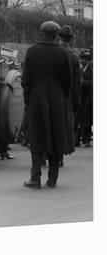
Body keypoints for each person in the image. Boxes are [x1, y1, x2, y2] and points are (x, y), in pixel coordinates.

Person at [21, 21, 74, 189]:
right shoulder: (63, 53)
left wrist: (29, 97)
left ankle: (35, 177)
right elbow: (68, 81)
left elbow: (26, 80)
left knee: (37, 135)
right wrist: (62, 96)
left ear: (41, 33)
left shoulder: (32, 51)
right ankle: (53, 178)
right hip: (57, 96)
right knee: (56, 134)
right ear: (56, 34)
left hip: (37, 95)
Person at [57, 25, 81, 165]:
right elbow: (77, 83)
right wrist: (76, 102)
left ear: (59, 37)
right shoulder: (74, 57)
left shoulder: (55, 51)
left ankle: (44, 155)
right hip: (68, 97)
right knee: (64, 127)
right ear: (70, 39)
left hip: (53, 93)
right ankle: (59, 157)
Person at [78, 49, 93, 147]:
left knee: (86, 120)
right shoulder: (81, 69)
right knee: (82, 119)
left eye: (83, 59)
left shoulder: (91, 69)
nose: (81, 61)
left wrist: (83, 82)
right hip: (81, 97)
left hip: (88, 97)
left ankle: (86, 140)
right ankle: (82, 139)